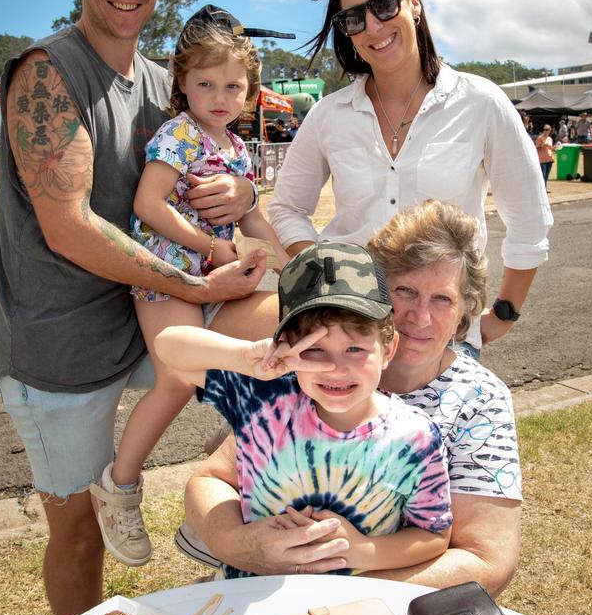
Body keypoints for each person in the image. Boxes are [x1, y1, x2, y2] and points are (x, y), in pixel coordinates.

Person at [0, 0, 271, 615]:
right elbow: (70, 227)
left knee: (284, 356)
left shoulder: (164, 81)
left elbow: (207, 156)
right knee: (79, 533)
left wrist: (242, 190)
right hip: (63, 338)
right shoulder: (49, 73)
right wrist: (197, 271)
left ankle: (221, 501)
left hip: (143, 314)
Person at [176, 200, 522, 596]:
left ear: (464, 310)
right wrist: (239, 547)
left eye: (442, 299)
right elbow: (213, 477)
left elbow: (486, 561)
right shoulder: (308, 362)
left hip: (378, 613)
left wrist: (332, 595)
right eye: (404, 291)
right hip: (261, 589)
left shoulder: (478, 401)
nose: (420, 317)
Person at [268, 0, 552, 356]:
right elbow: (286, 208)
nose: (373, 26)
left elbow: (529, 219)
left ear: (413, 3)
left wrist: (504, 313)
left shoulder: (480, 102)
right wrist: (324, 270)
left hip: (440, 337)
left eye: (384, 5)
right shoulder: (328, 115)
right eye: (353, 19)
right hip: (349, 335)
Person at [89, 5, 290, 567]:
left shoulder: (237, 150)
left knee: (291, 335)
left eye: (233, 86)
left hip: (220, 279)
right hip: (170, 276)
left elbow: (252, 221)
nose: (219, 96)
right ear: (182, 84)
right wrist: (208, 249)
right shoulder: (178, 134)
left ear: (249, 92)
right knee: (178, 378)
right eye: (205, 84)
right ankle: (120, 486)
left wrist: (286, 257)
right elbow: (147, 205)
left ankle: (232, 448)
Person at [158, 241, 452, 578]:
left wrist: (360, 551)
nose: (335, 368)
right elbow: (168, 347)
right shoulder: (264, 399)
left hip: (349, 612)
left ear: (388, 348)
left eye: (355, 348)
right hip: (249, 599)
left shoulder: (416, 438)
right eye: (314, 350)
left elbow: (433, 534)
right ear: (286, 346)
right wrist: (245, 357)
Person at [534, 122, 555, 189]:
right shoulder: (540, 138)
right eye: (545, 129)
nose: (546, 131)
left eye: (548, 130)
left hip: (549, 158)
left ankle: (545, 187)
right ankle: (543, 189)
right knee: (543, 175)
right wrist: (542, 145)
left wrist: (554, 148)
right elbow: (536, 147)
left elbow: (551, 148)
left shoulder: (550, 139)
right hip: (542, 159)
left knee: (547, 175)